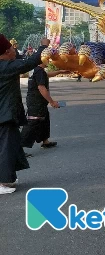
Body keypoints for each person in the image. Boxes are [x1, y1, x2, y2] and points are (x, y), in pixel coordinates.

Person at [0, 34, 50, 194]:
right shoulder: (5, 67)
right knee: (5, 148)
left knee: (12, 146)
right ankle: (2, 182)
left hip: (7, 114)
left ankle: (9, 177)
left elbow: (25, 60)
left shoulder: (6, 64)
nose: (15, 50)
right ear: (7, 51)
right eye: (12, 48)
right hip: (4, 115)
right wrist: (43, 46)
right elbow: (29, 62)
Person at [20, 61, 69, 155]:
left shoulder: (37, 69)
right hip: (36, 101)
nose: (50, 61)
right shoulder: (39, 71)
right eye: (48, 59)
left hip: (37, 101)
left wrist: (59, 72)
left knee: (45, 119)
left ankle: (45, 141)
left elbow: (47, 75)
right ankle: (18, 149)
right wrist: (52, 102)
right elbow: (41, 88)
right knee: (33, 123)